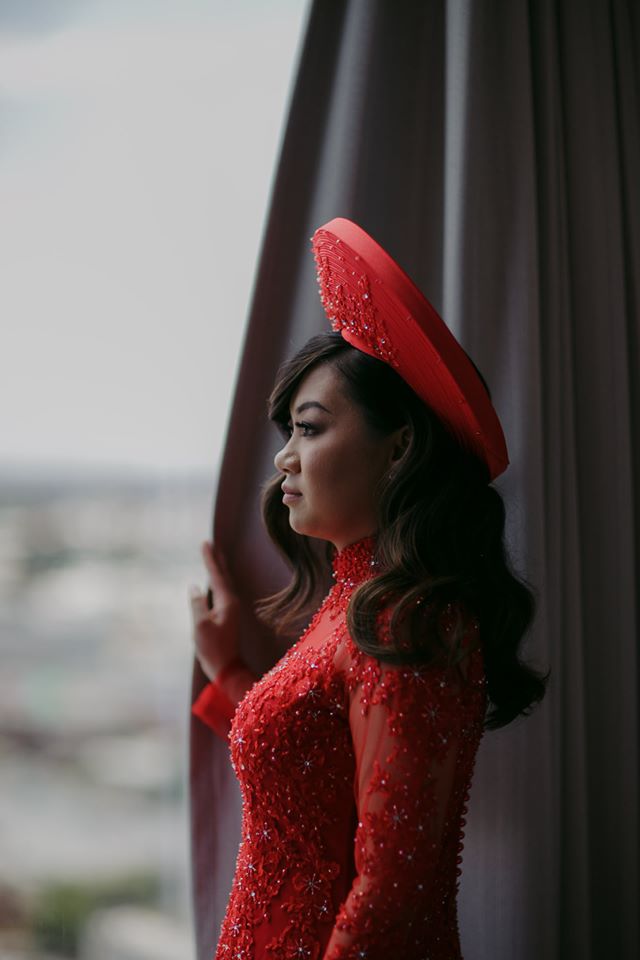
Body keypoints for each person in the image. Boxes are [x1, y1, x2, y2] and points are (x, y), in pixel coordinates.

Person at [188, 218, 549, 960]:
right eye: (289, 431)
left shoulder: (408, 617)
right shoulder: (362, 603)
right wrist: (229, 672)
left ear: (400, 448)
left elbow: (392, 893)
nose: (285, 458)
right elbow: (308, 785)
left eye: (311, 429)